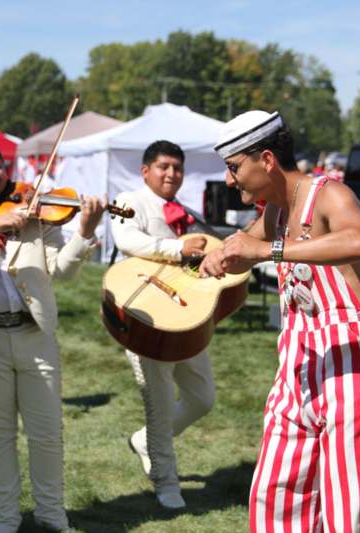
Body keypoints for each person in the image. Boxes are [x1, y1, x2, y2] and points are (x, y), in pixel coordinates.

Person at [202, 111, 360, 532]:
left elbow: (359, 241)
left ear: (267, 160)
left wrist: (267, 252)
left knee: (353, 511)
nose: (228, 179)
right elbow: (245, 244)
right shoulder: (276, 211)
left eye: (234, 166)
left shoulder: (329, 194)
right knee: (276, 496)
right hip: (299, 364)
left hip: (357, 364)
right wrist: (215, 252)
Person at [0, 134, 105, 532]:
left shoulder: (35, 205)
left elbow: (61, 270)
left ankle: (52, 514)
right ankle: (5, 518)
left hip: (34, 333)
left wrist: (84, 231)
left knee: (46, 432)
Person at [110, 140, 212, 510]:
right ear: (145, 170)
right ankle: (166, 482)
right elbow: (125, 238)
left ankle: (146, 441)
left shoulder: (186, 212)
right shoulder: (129, 200)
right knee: (160, 402)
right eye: (164, 166)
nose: (172, 174)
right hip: (145, 317)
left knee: (203, 398)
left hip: (186, 315)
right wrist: (177, 250)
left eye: (178, 168)